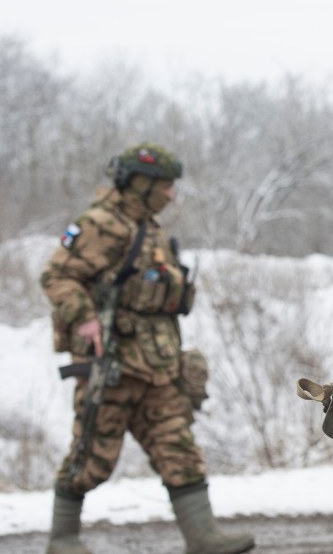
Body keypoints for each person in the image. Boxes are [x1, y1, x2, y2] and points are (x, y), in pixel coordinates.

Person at [40, 143, 254, 554]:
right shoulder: (100, 224)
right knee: (91, 457)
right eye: (165, 186)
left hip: (158, 368)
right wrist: (84, 318)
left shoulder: (151, 228)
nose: (171, 194)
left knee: (180, 451)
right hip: (113, 368)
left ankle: (203, 538)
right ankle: (63, 539)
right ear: (139, 183)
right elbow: (56, 277)